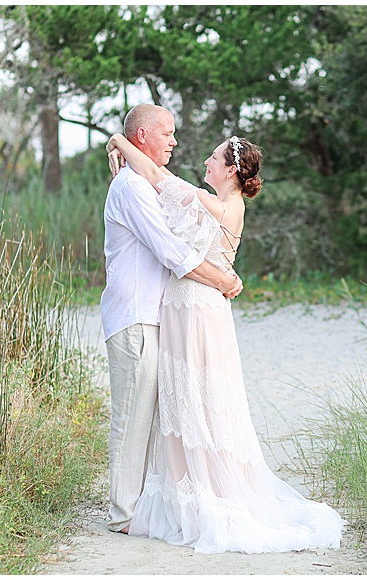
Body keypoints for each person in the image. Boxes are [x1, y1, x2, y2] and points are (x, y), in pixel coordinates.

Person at [104, 130, 346, 554]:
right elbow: (157, 177)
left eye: (214, 158)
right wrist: (123, 147)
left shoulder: (218, 203)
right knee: (184, 398)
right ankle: (187, 491)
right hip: (185, 305)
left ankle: (207, 496)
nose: (205, 162)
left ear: (231, 170)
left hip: (197, 306)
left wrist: (118, 142)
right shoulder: (216, 202)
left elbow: (159, 176)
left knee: (198, 398)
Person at [102, 104, 244, 536]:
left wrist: (117, 141)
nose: (174, 142)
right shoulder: (130, 187)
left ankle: (142, 505)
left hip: (155, 316)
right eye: (167, 134)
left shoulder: (143, 181)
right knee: (132, 417)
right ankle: (124, 514)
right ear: (143, 135)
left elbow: (168, 197)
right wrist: (222, 278)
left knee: (153, 418)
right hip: (136, 316)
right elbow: (170, 251)